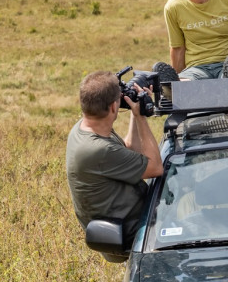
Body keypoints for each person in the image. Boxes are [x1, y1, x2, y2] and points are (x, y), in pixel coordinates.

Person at [65, 70, 163, 262]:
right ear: (112, 107)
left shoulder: (87, 127)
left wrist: (134, 111)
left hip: (135, 215)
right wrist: (141, 117)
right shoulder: (98, 149)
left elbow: (129, 149)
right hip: (133, 233)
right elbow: (156, 168)